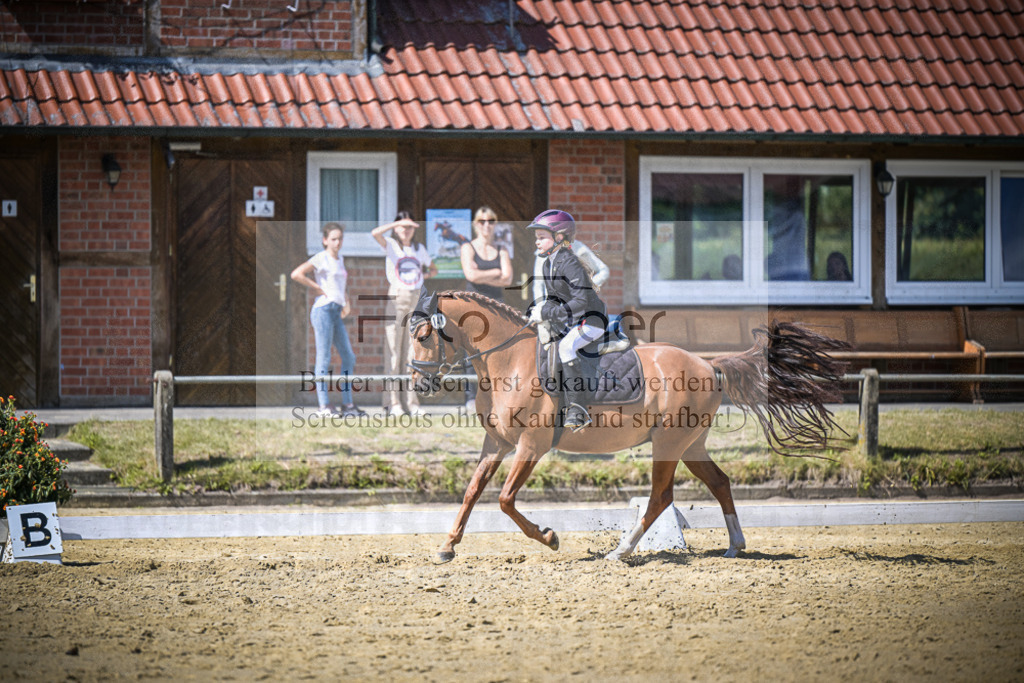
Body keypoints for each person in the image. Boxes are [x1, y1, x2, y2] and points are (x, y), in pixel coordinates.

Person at [526, 209, 607, 432]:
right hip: (572, 320)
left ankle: (578, 409)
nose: (537, 242)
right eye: (536, 238)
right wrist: (539, 311)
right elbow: (555, 299)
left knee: (565, 346)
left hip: (591, 320)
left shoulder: (569, 262)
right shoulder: (547, 264)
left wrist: (550, 313)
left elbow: (580, 300)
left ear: (559, 237)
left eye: (542, 237)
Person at [290, 222, 367, 418]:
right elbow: (296, 274)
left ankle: (347, 404)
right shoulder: (321, 258)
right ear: (325, 240)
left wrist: (346, 302)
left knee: (348, 356)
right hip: (323, 310)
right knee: (323, 358)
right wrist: (317, 288)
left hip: (336, 311)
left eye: (340, 238)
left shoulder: (340, 258)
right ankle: (324, 406)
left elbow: (340, 285)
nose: (337, 242)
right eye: (333, 239)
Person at [372, 211, 437, 416]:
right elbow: (375, 233)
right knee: (393, 352)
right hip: (397, 298)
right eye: (402, 226)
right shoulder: (391, 244)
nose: (406, 230)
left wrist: (422, 275)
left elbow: (433, 269)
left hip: (416, 298)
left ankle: (412, 402)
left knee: (412, 352)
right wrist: (396, 225)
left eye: (409, 227)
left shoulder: (419, 248)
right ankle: (392, 403)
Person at [459, 206, 513, 413]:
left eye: (490, 221)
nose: (486, 225)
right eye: (482, 221)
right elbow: (470, 276)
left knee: (498, 351)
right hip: (473, 306)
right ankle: (471, 398)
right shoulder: (468, 247)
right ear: (475, 224)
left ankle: (497, 396)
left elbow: (507, 278)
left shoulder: (502, 250)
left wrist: (483, 273)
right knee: (472, 352)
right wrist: (496, 272)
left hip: (496, 307)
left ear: (495, 224)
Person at [532, 238, 609, 301]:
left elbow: (604, 270)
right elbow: (538, 284)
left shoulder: (577, 247)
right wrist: (540, 308)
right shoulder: (543, 250)